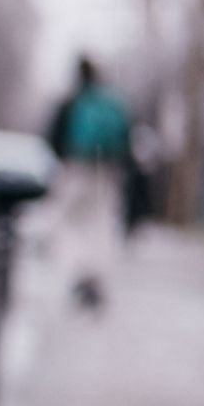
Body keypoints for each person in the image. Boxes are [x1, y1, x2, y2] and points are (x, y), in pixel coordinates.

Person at [44, 55, 131, 308]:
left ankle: (79, 275)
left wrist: (64, 161)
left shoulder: (71, 101)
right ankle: (95, 275)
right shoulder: (113, 102)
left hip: (75, 169)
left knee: (71, 223)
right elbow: (127, 140)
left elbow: (53, 136)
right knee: (101, 223)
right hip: (107, 171)